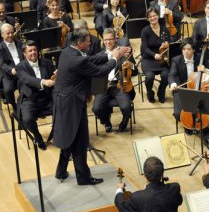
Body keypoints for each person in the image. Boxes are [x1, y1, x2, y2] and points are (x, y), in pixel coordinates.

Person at [53, 28, 130, 185]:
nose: (90, 43)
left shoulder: (67, 51)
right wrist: (114, 59)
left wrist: (111, 53)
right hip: (72, 104)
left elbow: (90, 60)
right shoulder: (77, 60)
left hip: (65, 101)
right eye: (87, 41)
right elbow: (100, 71)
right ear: (80, 43)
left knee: (70, 137)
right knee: (80, 140)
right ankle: (83, 178)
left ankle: (60, 171)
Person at [168, 38, 209, 150]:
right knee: (177, 114)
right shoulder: (176, 60)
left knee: (207, 112)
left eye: (189, 49)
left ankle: (208, 137)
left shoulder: (200, 58)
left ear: (193, 50)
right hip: (183, 90)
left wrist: (206, 70)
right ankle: (188, 124)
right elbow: (171, 75)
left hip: (200, 90)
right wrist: (173, 83)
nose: (186, 52)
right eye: (184, 49)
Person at [115, 156, 183, 212]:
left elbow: (122, 207)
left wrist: (119, 190)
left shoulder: (138, 197)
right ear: (162, 173)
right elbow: (179, 201)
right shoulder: (174, 188)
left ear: (145, 175)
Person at [92, 28, 137, 133]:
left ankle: (125, 120)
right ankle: (106, 121)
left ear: (116, 40)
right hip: (104, 86)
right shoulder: (99, 56)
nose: (108, 42)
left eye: (110, 39)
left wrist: (131, 65)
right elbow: (95, 74)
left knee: (126, 107)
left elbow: (135, 72)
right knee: (96, 109)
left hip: (120, 86)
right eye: (105, 39)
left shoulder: (124, 52)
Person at [16, 40, 56, 151]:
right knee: (27, 119)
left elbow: (53, 76)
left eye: (35, 50)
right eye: (30, 51)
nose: (33, 52)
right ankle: (38, 138)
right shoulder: (20, 67)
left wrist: (55, 77)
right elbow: (27, 79)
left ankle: (56, 134)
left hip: (47, 97)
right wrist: (43, 82)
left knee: (62, 109)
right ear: (25, 54)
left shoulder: (47, 62)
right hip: (30, 99)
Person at [140, 7, 171, 103]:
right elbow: (144, 48)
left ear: (158, 16)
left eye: (154, 15)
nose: (153, 18)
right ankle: (150, 92)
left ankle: (161, 92)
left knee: (166, 75)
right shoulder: (145, 31)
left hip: (162, 59)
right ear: (147, 19)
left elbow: (169, 42)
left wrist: (167, 45)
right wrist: (154, 55)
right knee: (149, 77)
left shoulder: (165, 29)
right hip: (149, 59)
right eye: (150, 17)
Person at [0, 23, 24, 109]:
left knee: (26, 85)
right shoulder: (0, 47)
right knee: (8, 90)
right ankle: (14, 105)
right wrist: (12, 70)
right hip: (9, 74)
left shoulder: (20, 43)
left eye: (12, 33)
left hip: (22, 71)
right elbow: (2, 64)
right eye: (8, 33)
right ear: (2, 35)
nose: (11, 35)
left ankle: (25, 104)